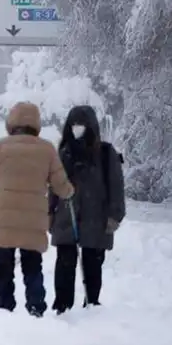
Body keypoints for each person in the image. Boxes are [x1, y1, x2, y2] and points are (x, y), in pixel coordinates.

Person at [0, 102, 74, 316]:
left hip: (4, 218)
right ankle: (35, 306)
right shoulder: (47, 149)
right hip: (33, 219)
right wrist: (69, 192)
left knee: (4, 268)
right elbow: (61, 184)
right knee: (32, 267)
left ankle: (5, 307)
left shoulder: (1, 146)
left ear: (11, 123)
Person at [49, 105, 126, 312]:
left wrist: (114, 215)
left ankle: (92, 303)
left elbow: (116, 186)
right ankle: (62, 307)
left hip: (96, 219)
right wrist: (49, 214)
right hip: (67, 217)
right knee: (65, 262)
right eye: (73, 125)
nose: (77, 129)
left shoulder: (105, 153)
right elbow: (53, 187)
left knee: (92, 263)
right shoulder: (63, 153)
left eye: (81, 125)